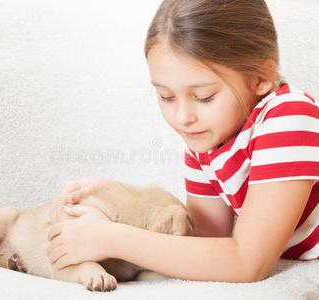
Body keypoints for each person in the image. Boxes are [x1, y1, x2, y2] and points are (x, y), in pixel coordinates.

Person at [46, 0, 319, 283]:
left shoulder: (290, 116)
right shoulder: (208, 140)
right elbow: (201, 247)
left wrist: (110, 238)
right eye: (166, 96)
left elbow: (245, 262)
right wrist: (122, 196)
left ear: (261, 77)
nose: (183, 117)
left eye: (204, 97)